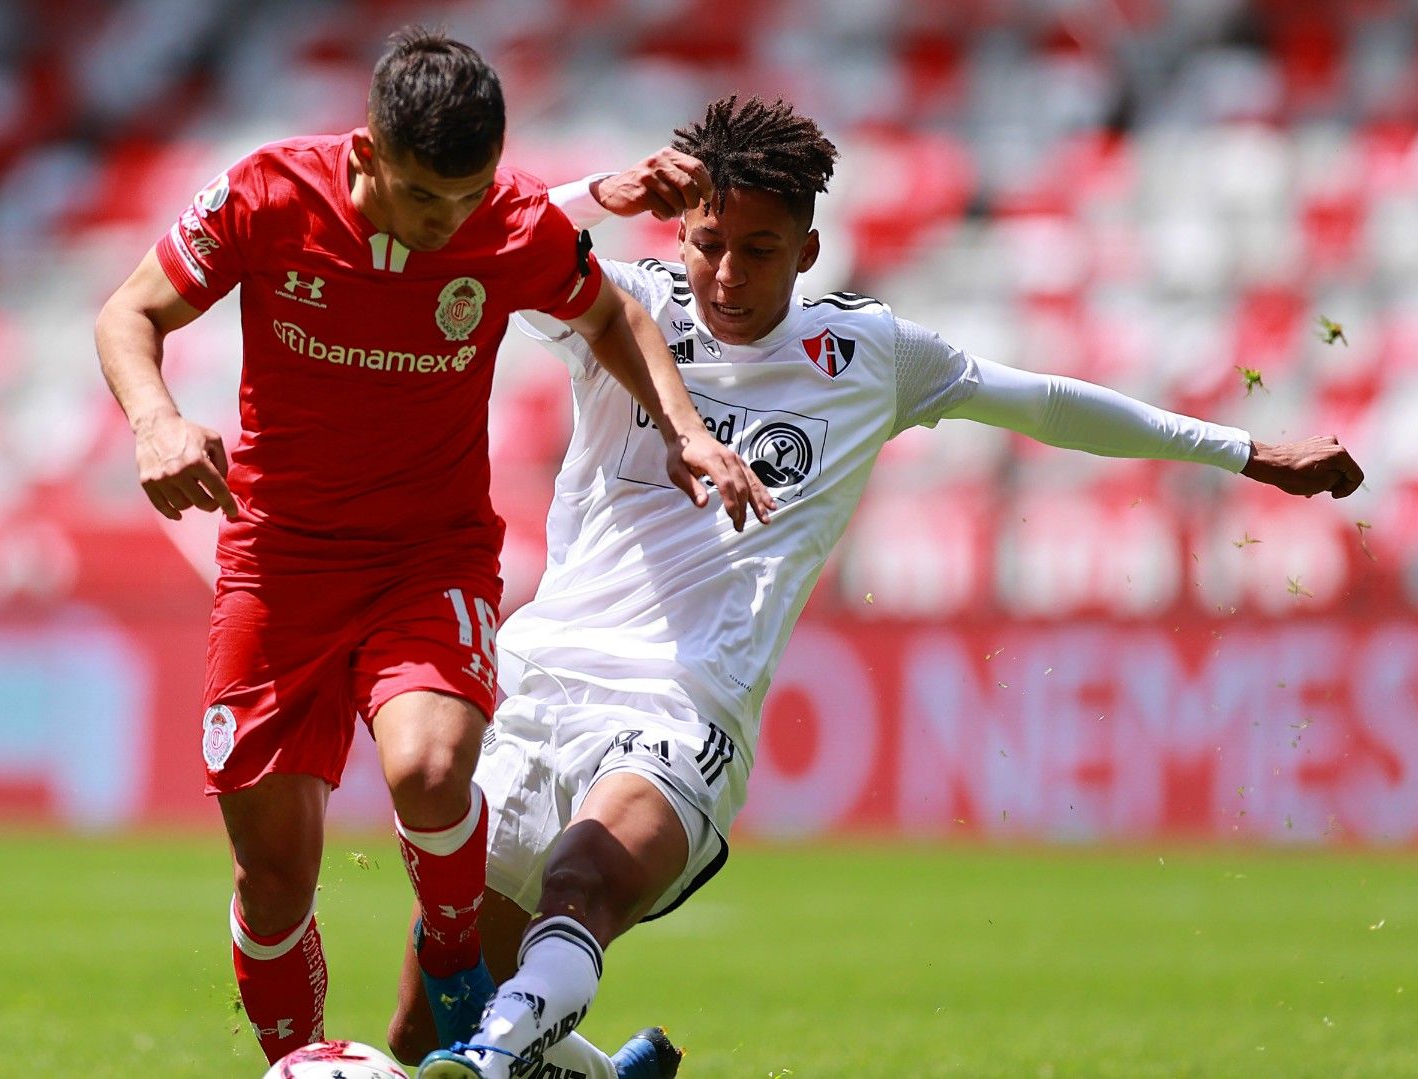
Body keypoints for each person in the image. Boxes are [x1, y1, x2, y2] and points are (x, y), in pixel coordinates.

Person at [392, 96, 1366, 1079]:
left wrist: (1244, 450)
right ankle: (580, 1068)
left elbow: (1043, 403)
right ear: (679, 234)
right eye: (710, 244)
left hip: (685, 704)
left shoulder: (867, 356)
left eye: (760, 250)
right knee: (414, 1033)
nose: (727, 274)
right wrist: (600, 193)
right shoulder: (619, 305)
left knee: (585, 880)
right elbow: (468, 243)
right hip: (542, 682)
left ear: (809, 252)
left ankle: (496, 1057)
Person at [93, 31, 772, 1067]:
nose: (444, 223)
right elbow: (130, 310)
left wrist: (684, 431)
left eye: (466, 197)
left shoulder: (506, 222)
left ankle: (456, 962)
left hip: (429, 560)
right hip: (278, 565)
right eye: (421, 197)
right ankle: (297, 1060)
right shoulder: (268, 194)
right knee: (272, 876)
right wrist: (155, 421)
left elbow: (613, 315)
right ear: (367, 154)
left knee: (432, 765)